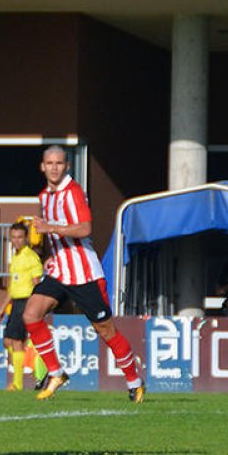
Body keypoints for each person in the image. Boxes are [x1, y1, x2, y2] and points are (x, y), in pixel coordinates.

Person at [23, 145, 145, 402]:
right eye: (50, 163)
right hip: (59, 270)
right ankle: (56, 372)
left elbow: (85, 228)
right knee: (31, 315)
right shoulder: (44, 196)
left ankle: (134, 380)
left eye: (59, 163)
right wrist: (48, 255)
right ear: (42, 167)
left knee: (105, 329)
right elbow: (52, 234)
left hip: (84, 272)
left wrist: (50, 228)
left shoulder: (74, 192)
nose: (54, 168)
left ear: (66, 166)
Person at [0, 222, 46, 391]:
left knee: (16, 341)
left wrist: (36, 306)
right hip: (16, 302)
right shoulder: (16, 257)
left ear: (26, 238)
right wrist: (3, 308)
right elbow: (12, 287)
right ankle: (36, 358)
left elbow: (37, 284)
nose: (16, 241)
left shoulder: (31, 257)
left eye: (20, 237)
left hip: (27, 301)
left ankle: (17, 384)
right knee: (8, 341)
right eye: (13, 237)